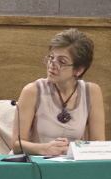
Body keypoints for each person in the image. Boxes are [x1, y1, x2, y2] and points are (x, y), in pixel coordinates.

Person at [12, 28, 105, 156]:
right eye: (51, 58)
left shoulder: (92, 92)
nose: (51, 65)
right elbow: (17, 144)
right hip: (37, 165)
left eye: (61, 62)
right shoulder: (32, 91)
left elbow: (99, 145)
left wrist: (77, 148)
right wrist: (45, 148)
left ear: (79, 70)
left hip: (72, 167)